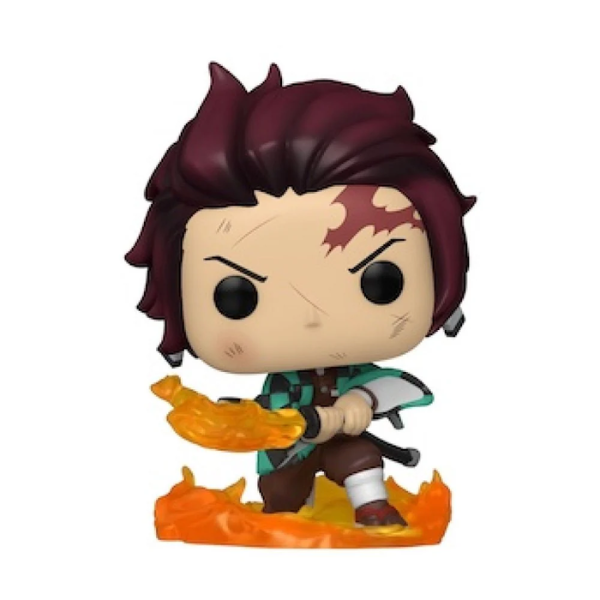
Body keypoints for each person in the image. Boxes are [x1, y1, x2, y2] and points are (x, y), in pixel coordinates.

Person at [126, 63, 474, 526]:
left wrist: (360, 402)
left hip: (346, 440)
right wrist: (234, 420)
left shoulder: (354, 374)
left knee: (359, 458)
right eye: (237, 296)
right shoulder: (279, 388)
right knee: (282, 495)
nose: (312, 317)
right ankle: (290, 519)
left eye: (379, 281)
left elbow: (407, 388)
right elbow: (251, 416)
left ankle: (373, 508)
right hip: (284, 453)